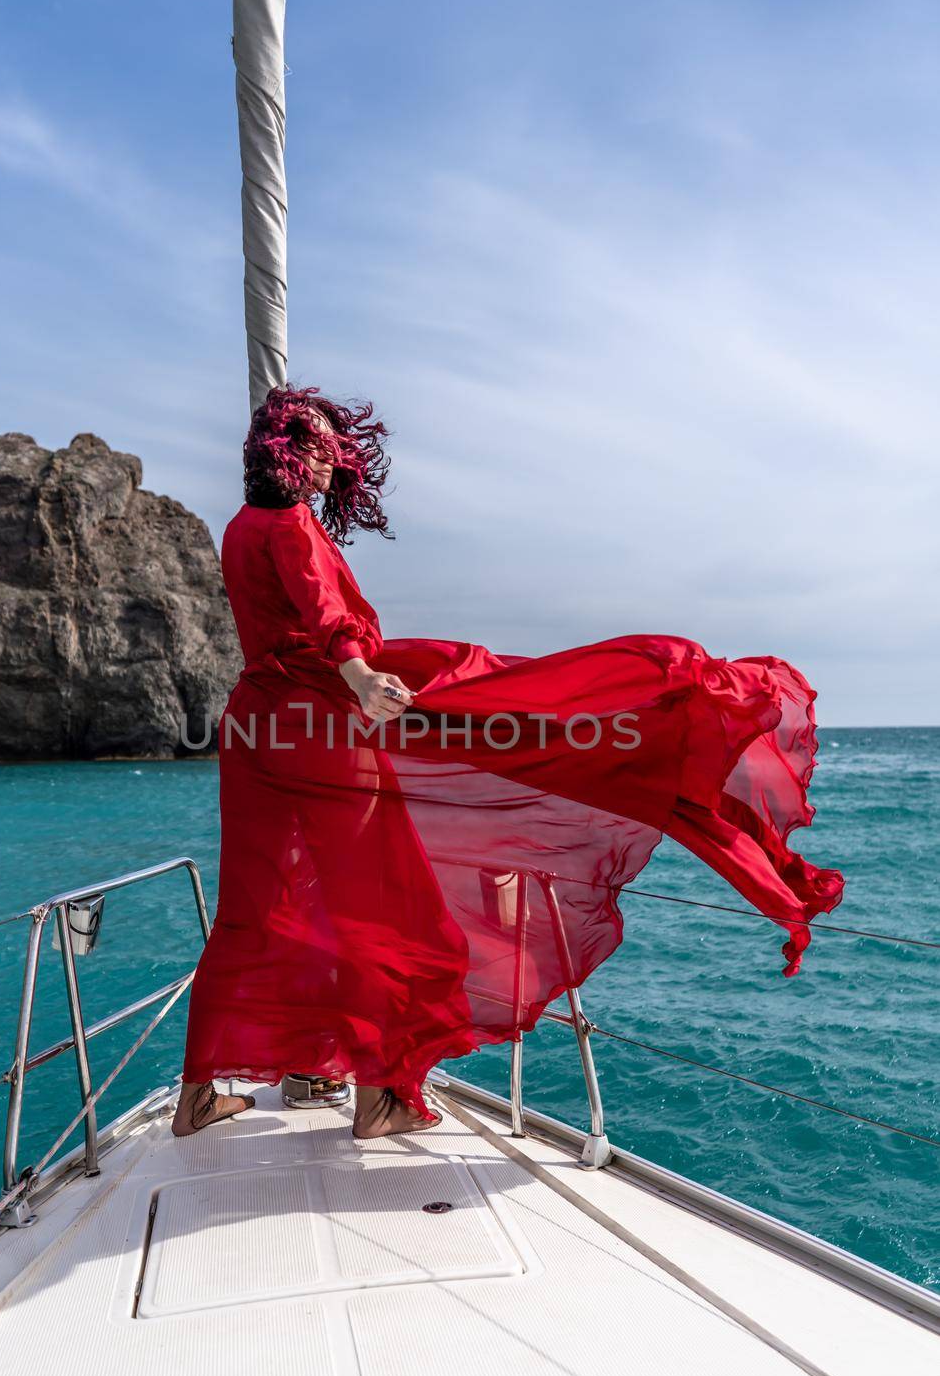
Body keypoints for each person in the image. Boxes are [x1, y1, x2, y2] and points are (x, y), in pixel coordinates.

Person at [173, 384, 844, 1138]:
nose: (334, 463)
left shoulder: (239, 526)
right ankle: (380, 1097)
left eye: (336, 449)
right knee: (392, 912)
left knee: (261, 907)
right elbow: (327, 617)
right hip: (322, 722)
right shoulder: (292, 525)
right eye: (322, 449)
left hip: (256, 729)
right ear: (290, 450)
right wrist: (359, 674)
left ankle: (202, 1094)